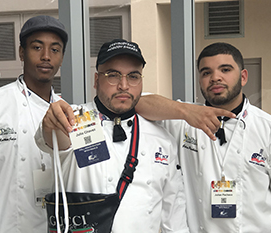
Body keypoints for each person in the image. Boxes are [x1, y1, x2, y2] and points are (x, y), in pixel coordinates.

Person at [136, 42, 271, 233]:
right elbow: (136, 102)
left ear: (243, 77)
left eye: (225, 70)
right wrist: (186, 111)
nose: (215, 77)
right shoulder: (183, 122)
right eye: (206, 72)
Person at [35, 39, 190, 232]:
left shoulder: (161, 138)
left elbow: (174, 216)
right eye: (113, 75)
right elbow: (51, 139)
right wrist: (50, 123)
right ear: (96, 80)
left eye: (133, 76)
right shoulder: (74, 119)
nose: (123, 85)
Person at [0, 15, 68, 233]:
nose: (46, 56)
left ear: (62, 57)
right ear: (21, 52)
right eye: (37, 47)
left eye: (55, 50)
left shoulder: (66, 112)